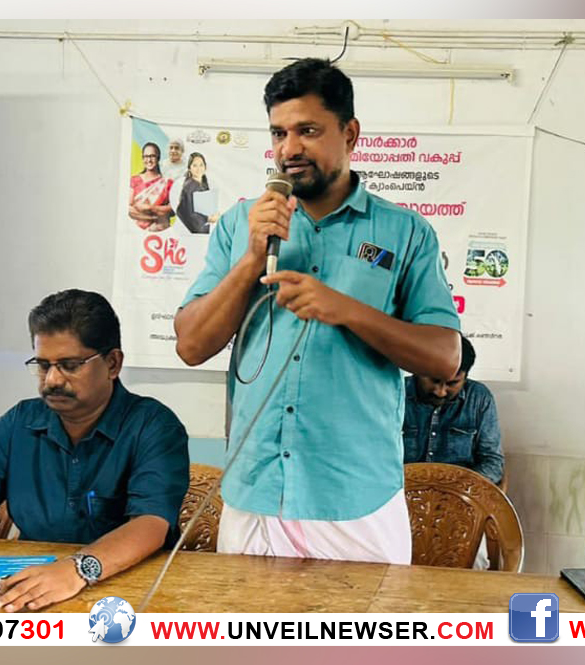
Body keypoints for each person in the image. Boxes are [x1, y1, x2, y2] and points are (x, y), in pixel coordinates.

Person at [174, 58, 460, 565]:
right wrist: (251, 258)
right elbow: (191, 345)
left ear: (350, 134)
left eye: (307, 131)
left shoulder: (406, 232)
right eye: (278, 133)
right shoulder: (240, 223)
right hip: (255, 489)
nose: (289, 149)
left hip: (355, 498)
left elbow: (444, 357)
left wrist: (345, 309)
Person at [0, 289, 190, 612]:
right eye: (43, 365)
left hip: (133, 589)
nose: (52, 380)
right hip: (36, 588)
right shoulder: (19, 422)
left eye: (70, 365)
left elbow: (150, 524)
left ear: (113, 363)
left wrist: (77, 569)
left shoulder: (153, 425)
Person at [403, 335, 503, 485]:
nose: (440, 392)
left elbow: (492, 461)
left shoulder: (479, 398)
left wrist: (457, 489)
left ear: (465, 378)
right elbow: (376, 456)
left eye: (452, 383)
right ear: (417, 371)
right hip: (403, 490)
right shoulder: (396, 394)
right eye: (434, 381)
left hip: (460, 491)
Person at [128, 142, 174, 232]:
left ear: (158, 158)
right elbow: (129, 209)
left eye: (152, 156)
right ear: (142, 158)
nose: (149, 160)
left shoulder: (167, 183)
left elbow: (173, 210)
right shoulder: (134, 180)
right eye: (146, 156)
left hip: (159, 231)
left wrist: (150, 208)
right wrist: (152, 217)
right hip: (135, 231)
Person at [175, 152, 220, 234]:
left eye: (201, 165)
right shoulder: (190, 186)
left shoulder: (203, 183)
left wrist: (213, 214)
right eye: (195, 165)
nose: (198, 168)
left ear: (205, 167)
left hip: (203, 226)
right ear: (189, 168)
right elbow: (188, 213)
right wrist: (208, 218)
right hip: (195, 229)